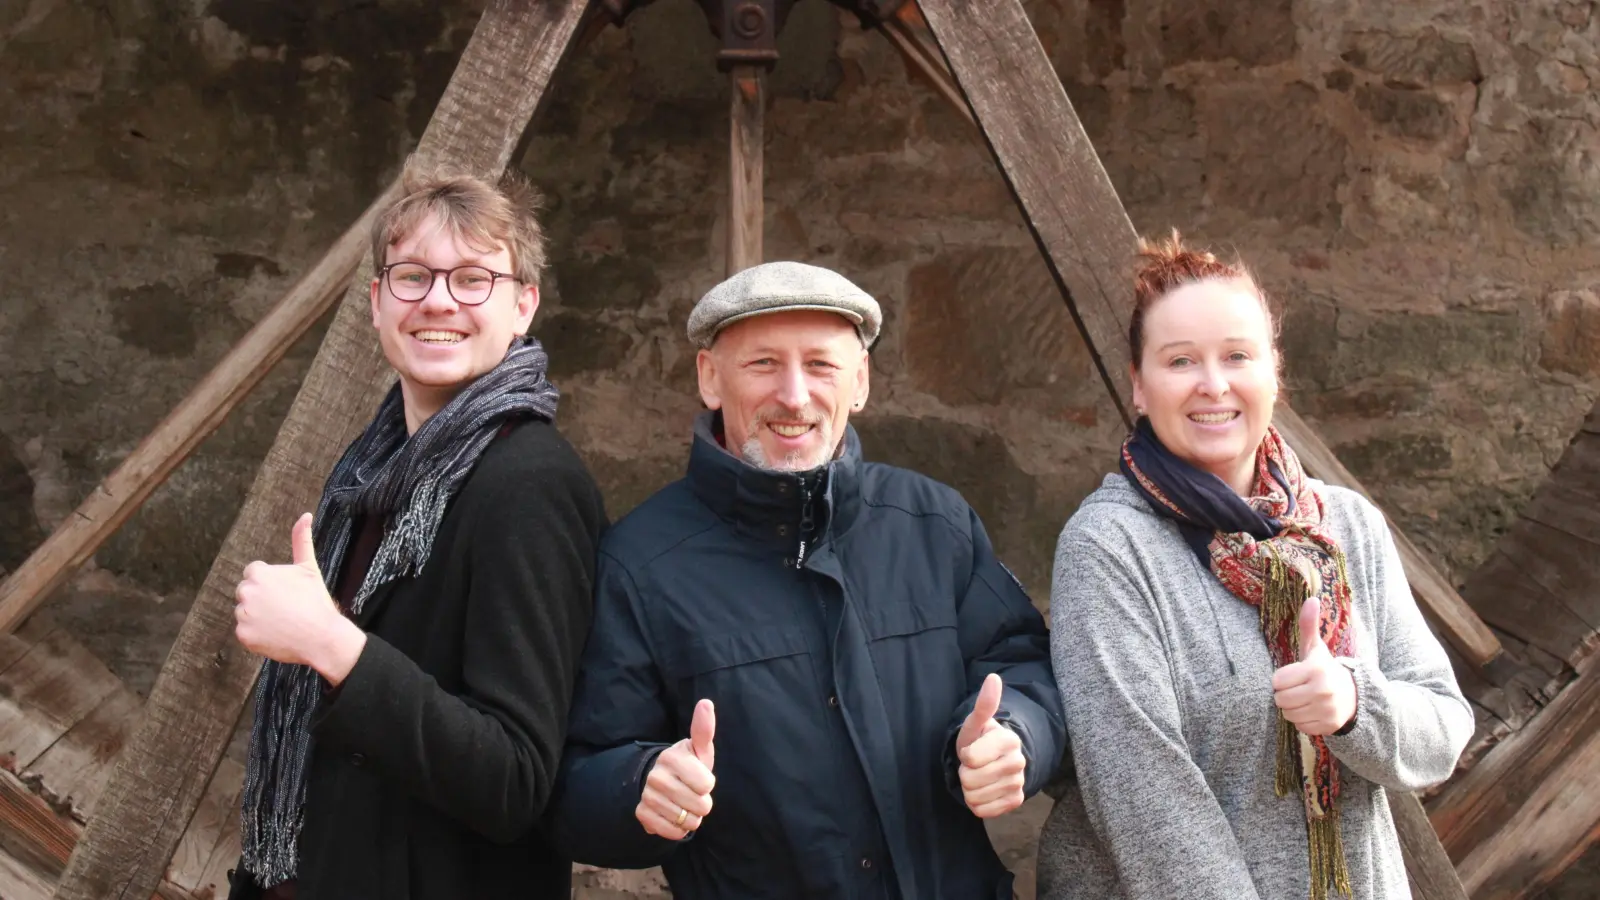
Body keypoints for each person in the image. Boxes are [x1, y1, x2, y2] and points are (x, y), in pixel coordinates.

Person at [550, 261, 1065, 898]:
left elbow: (1022, 664)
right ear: (710, 378)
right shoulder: (638, 564)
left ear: (860, 382)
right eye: (763, 364)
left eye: (820, 365)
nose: (794, 396)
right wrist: (640, 787)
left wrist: (1017, 735)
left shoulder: (935, 523)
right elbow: (576, 781)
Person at [1035, 233, 1473, 900]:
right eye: (1180, 361)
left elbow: (1442, 732)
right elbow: (1147, 804)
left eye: (1237, 355)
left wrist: (1355, 703)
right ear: (1139, 387)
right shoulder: (1108, 547)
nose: (1214, 384)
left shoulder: (1346, 524)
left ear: (1274, 371)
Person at [226, 168, 607, 900]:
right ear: (376, 303)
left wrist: (330, 644)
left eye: (473, 279)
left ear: (523, 304)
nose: (438, 300)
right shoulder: (373, 469)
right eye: (412, 277)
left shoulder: (529, 484)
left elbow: (514, 778)